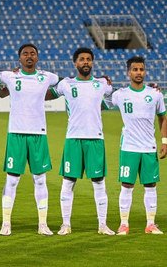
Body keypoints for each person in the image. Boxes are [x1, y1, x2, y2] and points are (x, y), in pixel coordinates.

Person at [0, 44, 59, 236]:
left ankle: (43, 224)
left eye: (32, 54)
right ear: (19, 58)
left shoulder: (47, 77)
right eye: (25, 54)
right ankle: (6, 223)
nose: (29, 56)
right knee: (12, 180)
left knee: (40, 179)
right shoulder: (9, 76)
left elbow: (67, 83)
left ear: (37, 57)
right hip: (16, 134)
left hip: (39, 134)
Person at [50, 47, 115, 235]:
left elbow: (120, 96)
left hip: (95, 138)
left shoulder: (102, 84)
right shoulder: (66, 84)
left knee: (99, 182)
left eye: (88, 59)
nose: (85, 62)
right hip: (73, 139)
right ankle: (66, 224)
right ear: (75, 63)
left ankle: (102, 225)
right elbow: (46, 95)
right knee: (68, 182)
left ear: (92, 62)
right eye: (82, 59)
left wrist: (152, 88)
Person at [105, 56, 167, 235]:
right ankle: (124, 224)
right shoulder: (120, 95)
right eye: (135, 69)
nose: (138, 73)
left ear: (145, 71)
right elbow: (99, 102)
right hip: (129, 148)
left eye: (141, 69)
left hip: (149, 148)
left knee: (150, 186)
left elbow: (163, 118)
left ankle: (150, 224)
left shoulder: (155, 94)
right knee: (127, 185)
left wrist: (164, 141)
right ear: (128, 72)